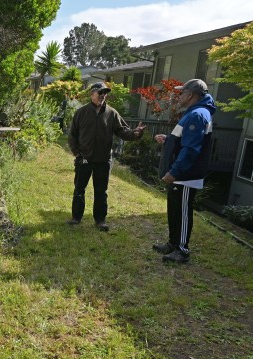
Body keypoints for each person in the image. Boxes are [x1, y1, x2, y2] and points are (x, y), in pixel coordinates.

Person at [153, 79, 216, 263]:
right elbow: (186, 141)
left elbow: (191, 149)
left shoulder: (197, 114)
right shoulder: (194, 113)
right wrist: (169, 140)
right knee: (174, 210)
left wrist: (175, 171)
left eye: (182, 92)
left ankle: (182, 250)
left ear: (190, 95)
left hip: (186, 176)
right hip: (180, 175)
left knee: (182, 211)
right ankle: (173, 243)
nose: (179, 96)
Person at [67, 82, 145, 231]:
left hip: (103, 160)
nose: (103, 95)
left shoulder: (112, 113)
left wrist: (135, 134)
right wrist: (77, 153)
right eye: (100, 92)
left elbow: (123, 131)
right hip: (84, 158)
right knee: (79, 189)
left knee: (101, 191)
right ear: (92, 94)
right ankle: (76, 218)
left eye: (105, 93)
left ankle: (100, 220)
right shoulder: (81, 112)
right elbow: (72, 135)